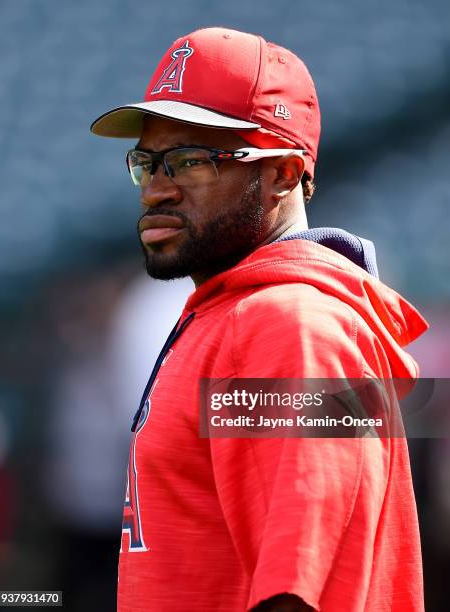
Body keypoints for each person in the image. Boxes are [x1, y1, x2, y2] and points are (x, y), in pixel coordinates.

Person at [90, 27, 428, 611]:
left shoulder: (288, 326)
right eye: (147, 163)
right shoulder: (235, 313)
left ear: (282, 173)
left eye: (190, 161)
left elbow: (300, 594)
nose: (155, 191)